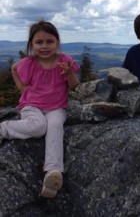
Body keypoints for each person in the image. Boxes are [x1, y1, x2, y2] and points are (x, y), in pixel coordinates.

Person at [0, 20, 80, 198]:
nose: (44, 46)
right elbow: (14, 68)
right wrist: (22, 88)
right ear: (32, 45)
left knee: (54, 126)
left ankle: (53, 173)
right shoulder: (29, 62)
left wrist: (68, 74)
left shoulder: (65, 61)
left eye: (49, 41)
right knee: (38, 127)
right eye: (39, 42)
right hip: (32, 105)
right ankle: (3, 129)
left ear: (57, 42)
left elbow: (75, 86)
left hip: (57, 107)